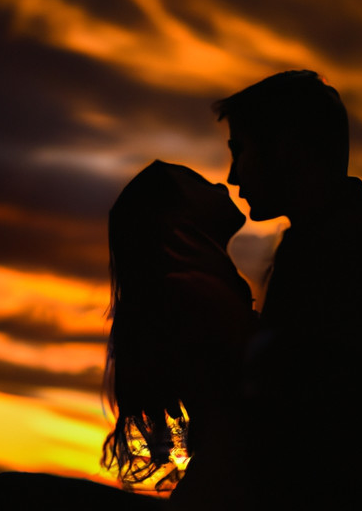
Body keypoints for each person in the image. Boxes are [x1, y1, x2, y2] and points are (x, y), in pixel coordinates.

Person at [212, 70, 362, 510]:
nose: (234, 177)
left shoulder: (347, 255)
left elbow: (310, 432)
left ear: (287, 149)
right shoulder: (342, 243)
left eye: (241, 152)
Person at [101, 160, 258, 510]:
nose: (220, 186)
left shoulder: (194, 290)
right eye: (200, 183)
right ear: (174, 214)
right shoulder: (193, 297)